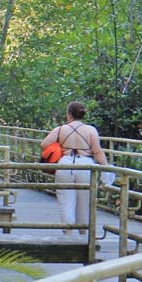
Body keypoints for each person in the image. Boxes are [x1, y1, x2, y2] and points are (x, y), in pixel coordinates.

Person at [41, 101, 109, 236]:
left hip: (65, 163)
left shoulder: (60, 129)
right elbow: (97, 152)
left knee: (65, 201)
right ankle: (84, 232)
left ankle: (68, 233)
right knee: (85, 202)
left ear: (69, 114)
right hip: (85, 165)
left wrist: (59, 148)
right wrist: (106, 168)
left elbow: (44, 144)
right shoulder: (91, 130)